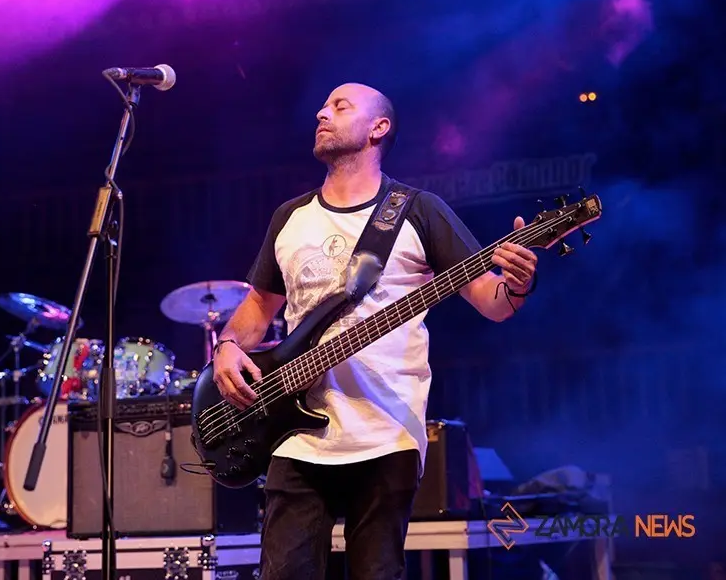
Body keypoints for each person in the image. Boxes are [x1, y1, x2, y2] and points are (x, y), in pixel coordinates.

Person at [211, 82, 537, 580]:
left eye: (339, 106)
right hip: (295, 434)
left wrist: (517, 283)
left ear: (378, 128)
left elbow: (492, 303)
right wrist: (228, 344)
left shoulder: (419, 210)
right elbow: (258, 305)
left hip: (385, 434)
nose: (321, 113)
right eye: (323, 105)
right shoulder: (290, 217)